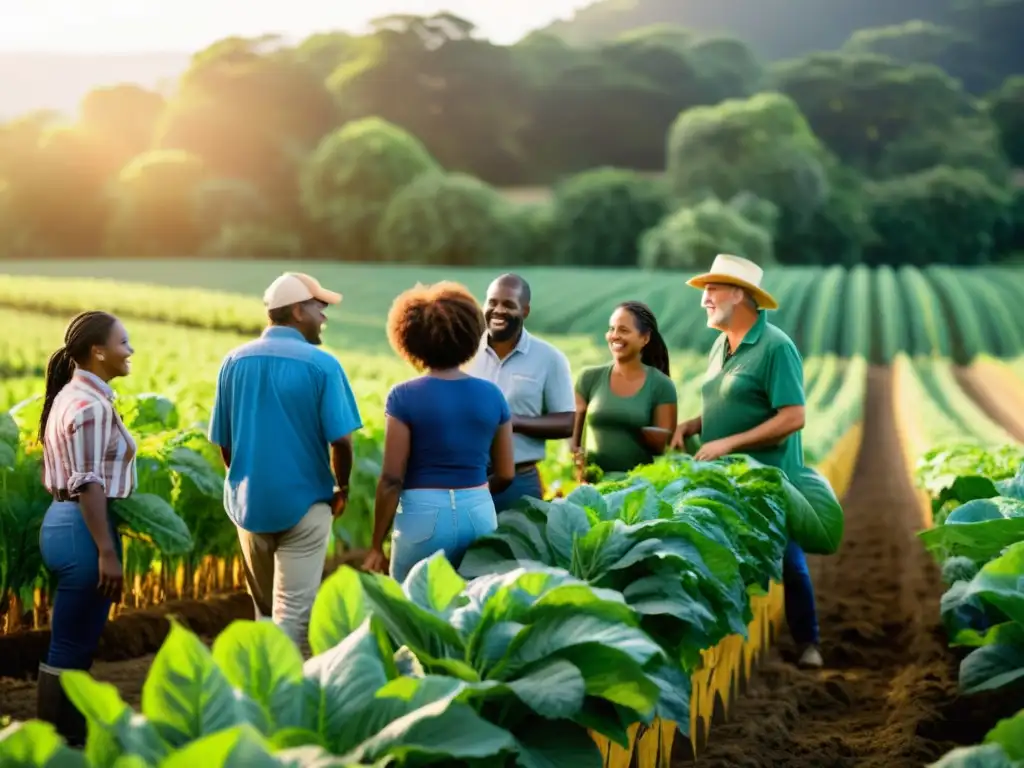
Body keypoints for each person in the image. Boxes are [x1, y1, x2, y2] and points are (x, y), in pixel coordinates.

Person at [669, 253, 823, 669]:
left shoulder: (776, 347)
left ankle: (808, 642)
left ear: (741, 294)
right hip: (725, 479)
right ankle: (736, 648)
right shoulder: (721, 345)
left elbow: (793, 416)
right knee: (728, 560)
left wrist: (728, 444)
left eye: (712, 289)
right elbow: (727, 404)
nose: (704, 299)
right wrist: (692, 425)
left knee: (789, 561)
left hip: (770, 479)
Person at [209, 272, 362, 654]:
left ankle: (260, 696)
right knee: (293, 616)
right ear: (297, 311)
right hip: (306, 506)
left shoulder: (233, 361)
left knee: (263, 613)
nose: (323, 317)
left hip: (248, 506)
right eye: (318, 308)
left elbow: (224, 443)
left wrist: (243, 478)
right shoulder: (323, 365)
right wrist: (341, 488)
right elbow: (341, 442)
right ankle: (284, 705)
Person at [362, 281, 515, 582]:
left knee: (411, 606)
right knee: (475, 605)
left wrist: (376, 544)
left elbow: (392, 479)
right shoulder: (492, 395)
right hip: (479, 510)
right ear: (470, 334)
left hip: (422, 513)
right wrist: (469, 493)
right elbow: (506, 473)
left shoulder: (403, 396)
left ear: (410, 339)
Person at [36, 310, 136, 746]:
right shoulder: (90, 406)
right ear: (98, 352)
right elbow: (88, 481)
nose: (130, 351)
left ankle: (58, 744)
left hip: (64, 523)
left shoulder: (71, 395)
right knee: (72, 650)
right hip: (82, 531)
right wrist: (106, 552)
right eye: (123, 342)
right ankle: (65, 747)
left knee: (69, 645)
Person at [465, 273, 575, 511]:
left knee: (519, 547)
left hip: (519, 482)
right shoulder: (465, 352)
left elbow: (566, 423)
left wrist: (512, 421)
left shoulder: (549, 358)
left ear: (525, 311)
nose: (498, 310)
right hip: (466, 480)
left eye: (508, 305)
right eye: (492, 302)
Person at [571, 301, 677, 477]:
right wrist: (577, 465)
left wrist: (649, 435)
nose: (614, 336)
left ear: (645, 338)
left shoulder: (661, 385)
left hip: (638, 489)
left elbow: (664, 450)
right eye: (611, 329)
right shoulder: (588, 378)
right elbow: (573, 439)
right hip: (593, 487)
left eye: (623, 330)